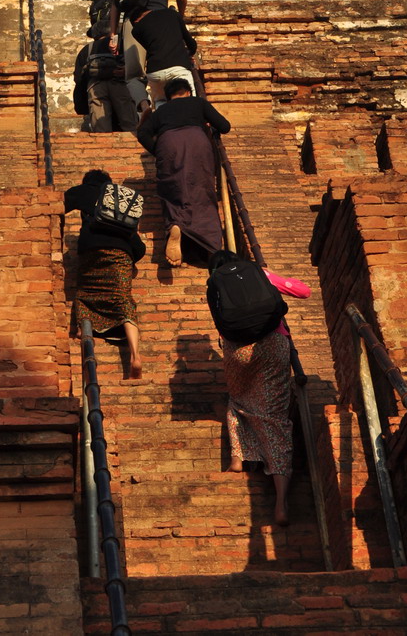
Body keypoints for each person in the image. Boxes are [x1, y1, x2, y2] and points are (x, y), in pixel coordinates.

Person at [210, 252, 310, 525]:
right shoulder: (259, 275)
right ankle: (281, 503)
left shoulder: (216, 283)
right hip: (273, 343)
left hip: (237, 352)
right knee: (274, 417)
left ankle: (237, 458)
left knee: (239, 398)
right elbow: (304, 291)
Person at [138, 80, 230, 265]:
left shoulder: (161, 111)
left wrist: (159, 150)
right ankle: (212, 246)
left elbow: (142, 133)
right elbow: (224, 126)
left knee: (173, 191)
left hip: (168, 145)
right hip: (196, 141)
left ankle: (175, 224)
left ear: (168, 97)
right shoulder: (198, 103)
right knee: (202, 192)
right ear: (188, 92)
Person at [64, 168, 145, 379]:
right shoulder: (119, 201)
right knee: (124, 300)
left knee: (84, 296)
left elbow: (57, 205)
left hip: (92, 251)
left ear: (88, 181)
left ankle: (84, 333)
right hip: (120, 255)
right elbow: (139, 247)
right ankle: (135, 355)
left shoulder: (84, 191)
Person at [73, 21, 138, 133]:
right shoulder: (119, 44)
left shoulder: (87, 49)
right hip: (119, 84)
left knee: (101, 127)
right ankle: (132, 141)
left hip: (95, 86)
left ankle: (103, 141)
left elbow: (78, 78)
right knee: (129, 123)